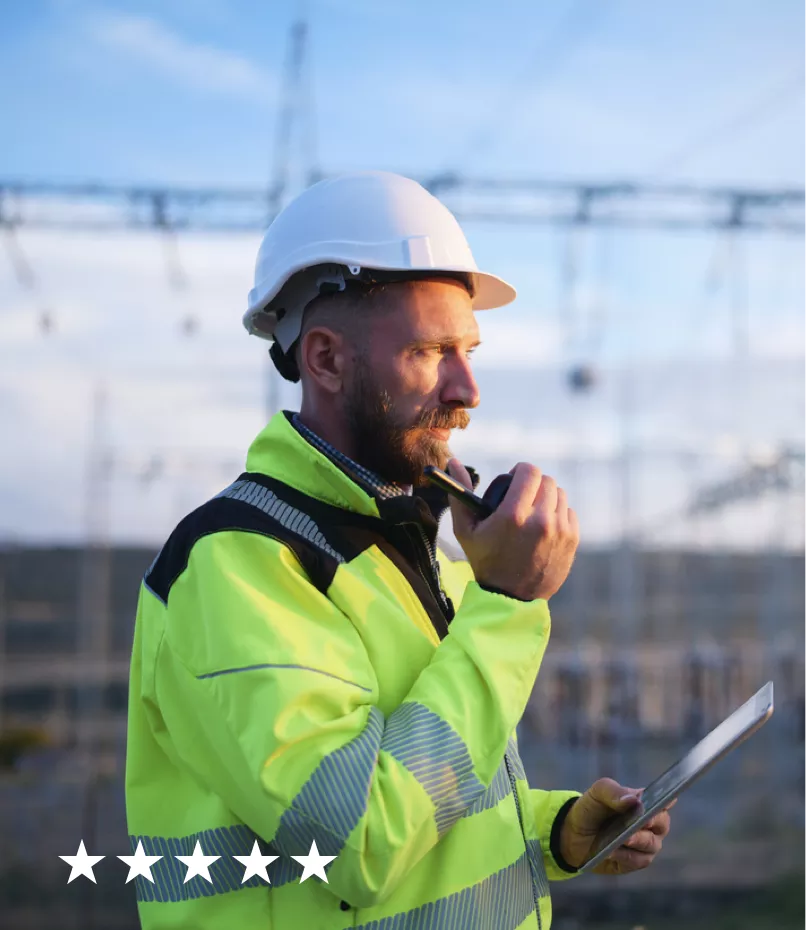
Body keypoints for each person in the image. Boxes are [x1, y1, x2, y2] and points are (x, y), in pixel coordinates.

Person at [125, 172, 672, 930]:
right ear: (325, 360)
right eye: (431, 350)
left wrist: (553, 831)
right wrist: (507, 605)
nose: (468, 389)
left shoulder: (413, 546)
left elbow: (430, 780)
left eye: (469, 349)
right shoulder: (237, 565)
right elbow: (360, 841)